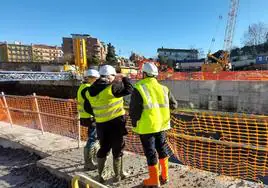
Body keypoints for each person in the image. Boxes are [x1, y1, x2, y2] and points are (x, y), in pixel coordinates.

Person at [129, 62, 178, 187]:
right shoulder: (164, 88)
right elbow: (174, 105)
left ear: (144, 74)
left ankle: (154, 181)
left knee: (150, 152)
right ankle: (165, 176)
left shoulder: (139, 87)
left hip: (147, 127)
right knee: (162, 148)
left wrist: (134, 124)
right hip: (162, 125)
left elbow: (134, 110)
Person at [84, 65, 133, 183]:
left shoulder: (89, 90)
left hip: (101, 125)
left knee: (104, 149)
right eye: (113, 76)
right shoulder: (112, 88)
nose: (114, 78)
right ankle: (118, 175)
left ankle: (101, 175)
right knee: (118, 149)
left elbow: (87, 108)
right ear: (109, 76)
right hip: (116, 124)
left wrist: (99, 114)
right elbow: (129, 89)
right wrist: (125, 77)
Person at [77, 69, 100, 170]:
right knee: (92, 138)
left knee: (93, 138)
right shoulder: (87, 89)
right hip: (90, 117)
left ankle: (92, 159)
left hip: (85, 116)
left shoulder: (82, 87)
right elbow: (92, 102)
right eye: (95, 78)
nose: (96, 80)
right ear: (90, 78)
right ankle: (89, 162)